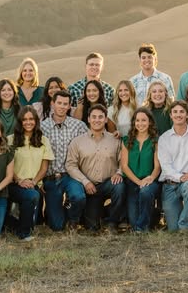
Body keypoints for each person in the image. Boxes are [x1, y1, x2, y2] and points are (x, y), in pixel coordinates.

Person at [66, 104, 125, 231]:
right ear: (88, 119)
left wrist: (119, 173)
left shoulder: (115, 139)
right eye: (94, 117)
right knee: (92, 227)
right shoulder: (77, 141)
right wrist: (85, 181)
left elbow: (123, 161)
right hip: (89, 187)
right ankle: (101, 214)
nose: (97, 120)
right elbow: (70, 165)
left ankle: (113, 222)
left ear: (105, 119)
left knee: (119, 186)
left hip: (109, 183)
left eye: (100, 117)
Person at [40, 90, 88, 231]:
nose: (62, 106)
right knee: (57, 226)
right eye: (59, 103)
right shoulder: (42, 127)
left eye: (65, 104)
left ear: (69, 106)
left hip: (71, 175)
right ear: (52, 104)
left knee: (78, 197)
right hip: (50, 177)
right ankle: (58, 213)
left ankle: (73, 219)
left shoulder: (78, 125)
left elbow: (92, 138)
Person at [157, 101, 188, 232]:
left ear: (187, 114)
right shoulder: (164, 138)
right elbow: (166, 166)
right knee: (173, 229)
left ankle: (185, 224)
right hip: (170, 185)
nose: (178, 115)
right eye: (175, 112)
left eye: (182, 112)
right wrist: (181, 177)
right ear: (171, 116)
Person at [10, 106, 53, 240]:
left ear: (36, 121)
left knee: (32, 195)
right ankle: (24, 233)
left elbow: (44, 168)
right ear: (20, 122)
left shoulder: (43, 140)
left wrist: (33, 182)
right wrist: (19, 181)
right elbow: (7, 166)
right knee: (31, 195)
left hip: (33, 183)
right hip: (13, 183)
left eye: (31, 119)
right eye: (24, 119)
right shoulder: (10, 140)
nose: (28, 122)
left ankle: (19, 226)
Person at [120, 108, 161, 232]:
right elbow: (124, 166)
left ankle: (141, 229)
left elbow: (157, 166)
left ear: (150, 122)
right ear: (134, 122)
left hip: (150, 181)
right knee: (133, 219)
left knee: (145, 192)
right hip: (132, 182)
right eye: (137, 120)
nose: (140, 123)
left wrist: (150, 178)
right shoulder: (127, 140)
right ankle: (143, 224)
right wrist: (138, 182)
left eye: (144, 120)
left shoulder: (155, 141)